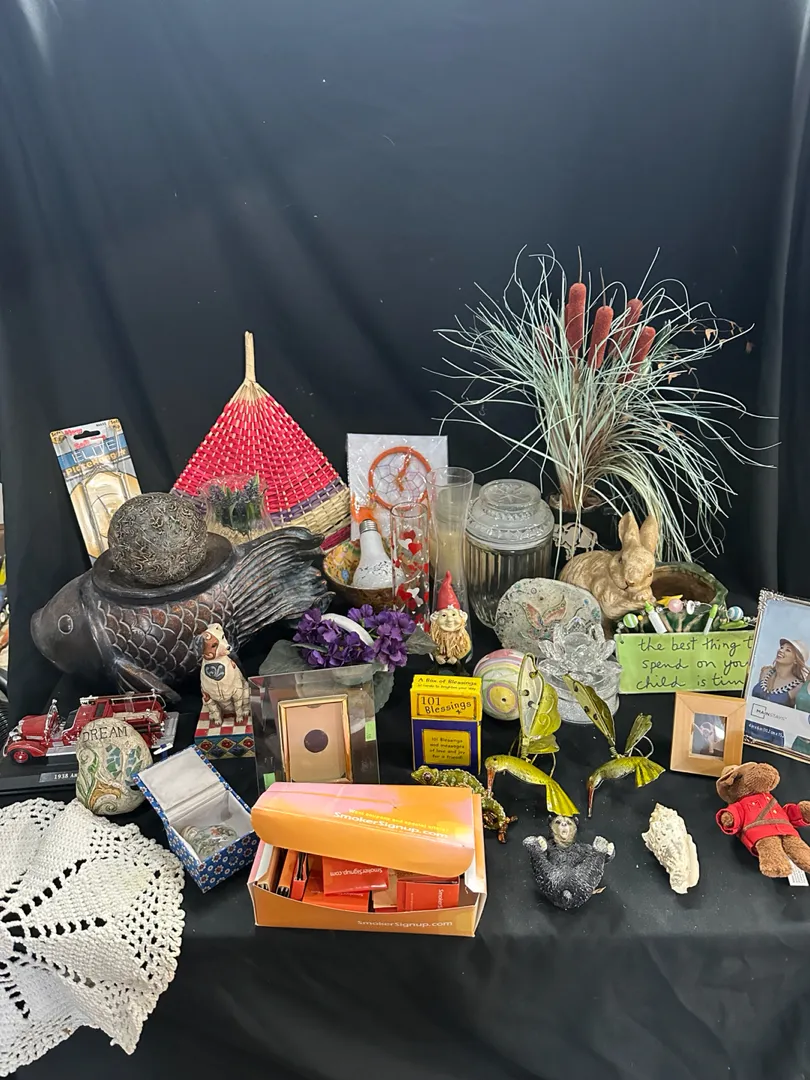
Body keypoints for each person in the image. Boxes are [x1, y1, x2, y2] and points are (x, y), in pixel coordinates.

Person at [752, 638, 809, 708]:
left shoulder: (798, 686)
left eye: (788, 650)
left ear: (796, 660)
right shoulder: (765, 672)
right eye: (781, 647)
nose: (781, 650)